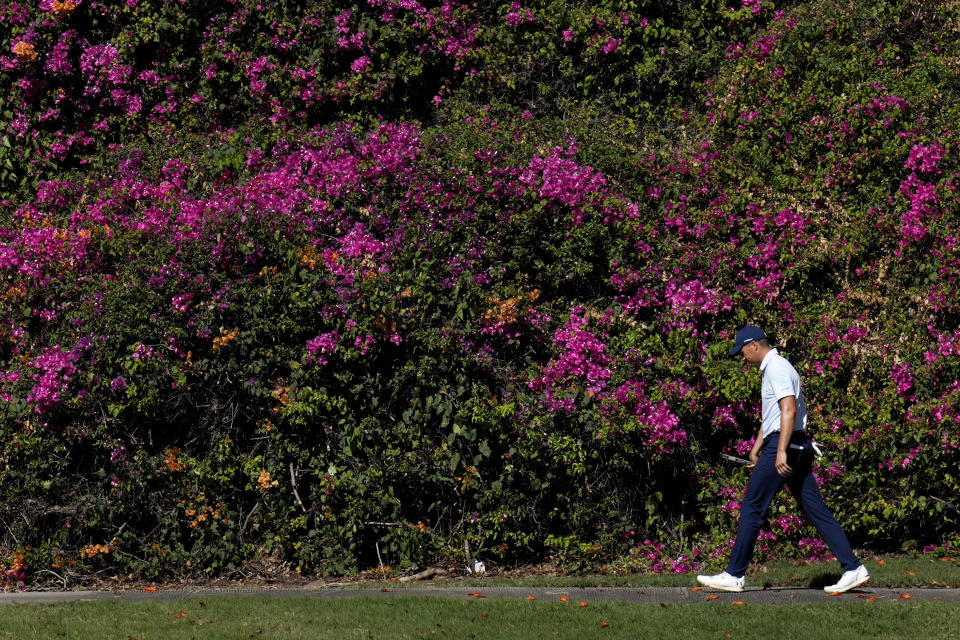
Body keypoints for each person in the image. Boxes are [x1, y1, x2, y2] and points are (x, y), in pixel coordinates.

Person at [696, 326, 869, 594]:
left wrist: (779, 451)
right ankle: (853, 568)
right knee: (815, 509)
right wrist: (757, 446)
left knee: (753, 505)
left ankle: (734, 575)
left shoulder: (776, 368)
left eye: (742, 351)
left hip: (787, 444)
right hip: (795, 443)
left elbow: (788, 409)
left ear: (754, 345)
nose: (742, 357)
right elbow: (775, 415)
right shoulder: (776, 367)